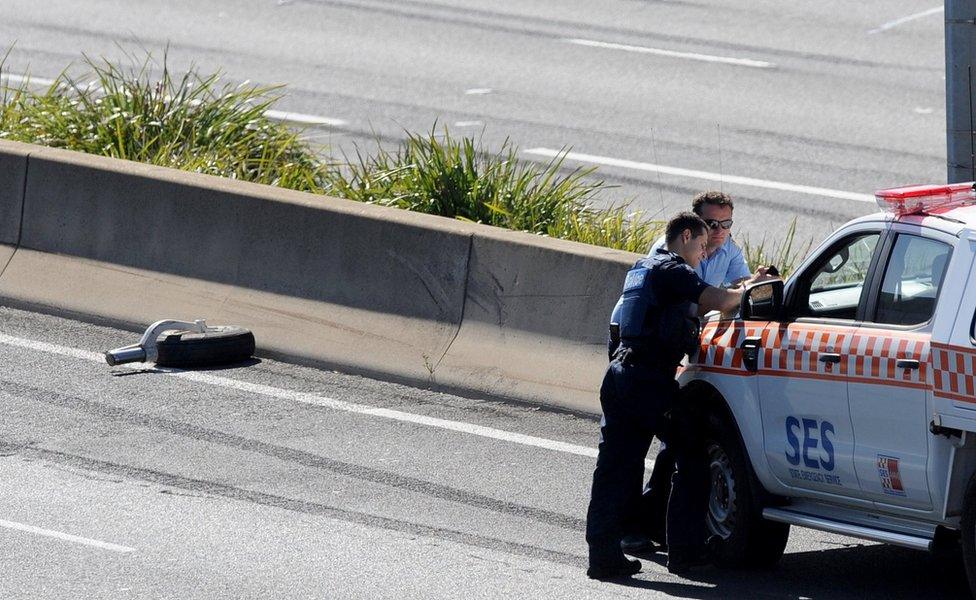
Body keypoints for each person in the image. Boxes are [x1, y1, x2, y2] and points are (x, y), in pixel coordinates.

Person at [586, 212, 772, 580]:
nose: (703, 255)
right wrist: (750, 290)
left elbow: (688, 305)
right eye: (701, 246)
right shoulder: (674, 269)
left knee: (614, 468)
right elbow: (717, 299)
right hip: (649, 379)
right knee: (693, 453)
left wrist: (744, 282)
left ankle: (603, 556)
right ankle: (685, 553)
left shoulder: (643, 267)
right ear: (685, 236)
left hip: (621, 375)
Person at [627, 190, 750, 553]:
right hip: (651, 356)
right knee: (636, 448)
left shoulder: (728, 249)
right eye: (712, 225)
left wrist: (745, 285)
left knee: (677, 448)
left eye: (726, 224)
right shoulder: (668, 259)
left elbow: (735, 287)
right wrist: (739, 293)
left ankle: (656, 526)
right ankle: (634, 529)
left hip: (683, 354)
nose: (719, 233)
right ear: (692, 229)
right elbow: (712, 299)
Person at [648, 190, 750, 288]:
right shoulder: (675, 246)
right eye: (712, 223)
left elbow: (742, 283)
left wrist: (757, 282)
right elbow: (701, 297)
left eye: (726, 224)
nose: (720, 230)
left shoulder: (730, 247)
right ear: (696, 221)